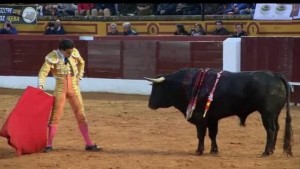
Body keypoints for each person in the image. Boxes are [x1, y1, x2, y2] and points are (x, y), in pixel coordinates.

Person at [37, 39, 101, 153]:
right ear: (62, 50)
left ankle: (89, 143)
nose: (71, 54)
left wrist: (79, 77)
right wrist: (41, 85)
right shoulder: (52, 56)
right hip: (60, 87)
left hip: (74, 87)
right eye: (68, 52)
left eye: (71, 52)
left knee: (81, 114)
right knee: (55, 116)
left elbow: (82, 62)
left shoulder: (73, 52)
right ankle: (49, 144)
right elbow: (43, 72)